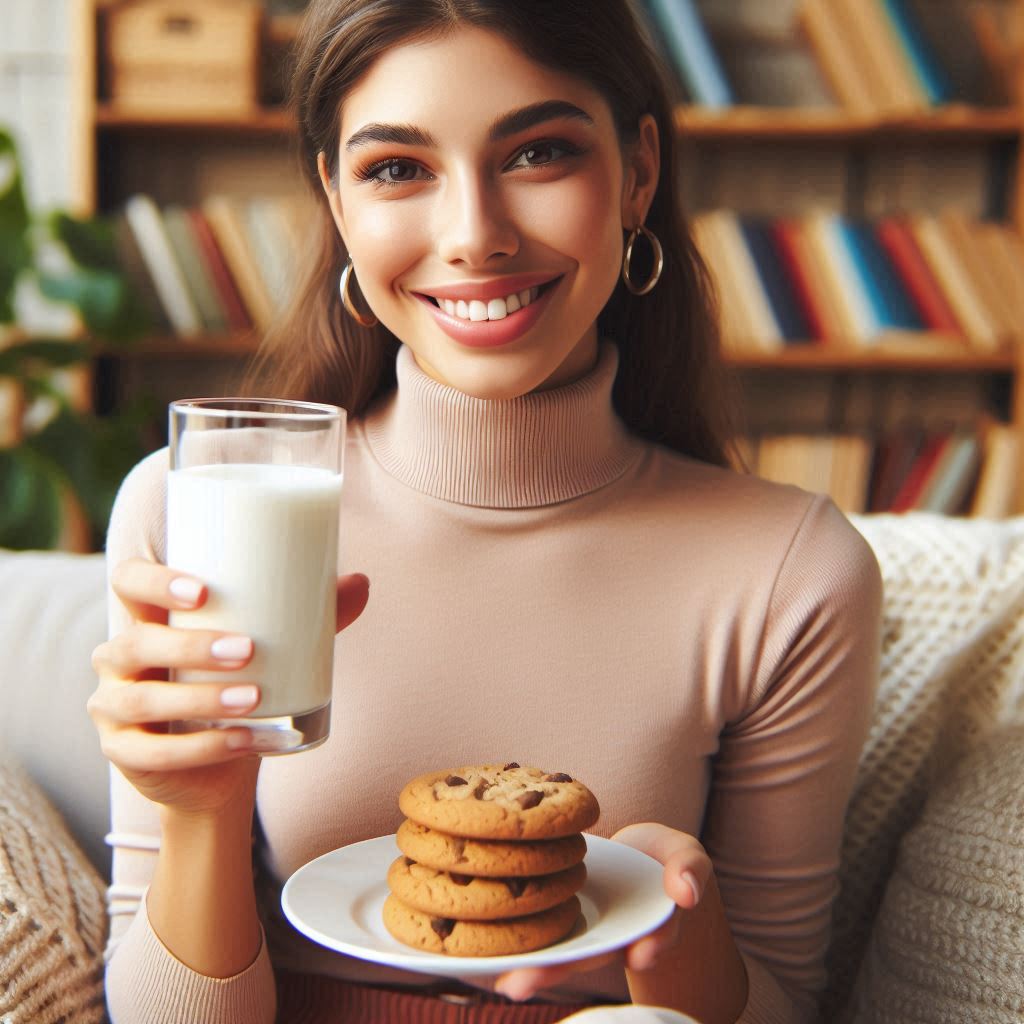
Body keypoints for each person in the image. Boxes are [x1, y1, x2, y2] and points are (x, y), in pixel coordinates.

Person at [88, 1, 883, 1022]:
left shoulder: (789, 570)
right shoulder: (191, 507)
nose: (474, 235)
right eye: (396, 168)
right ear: (334, 194)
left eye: (538, 152)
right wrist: (200, 811)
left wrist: (680, 936)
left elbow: (782, 999)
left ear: (637, 170)